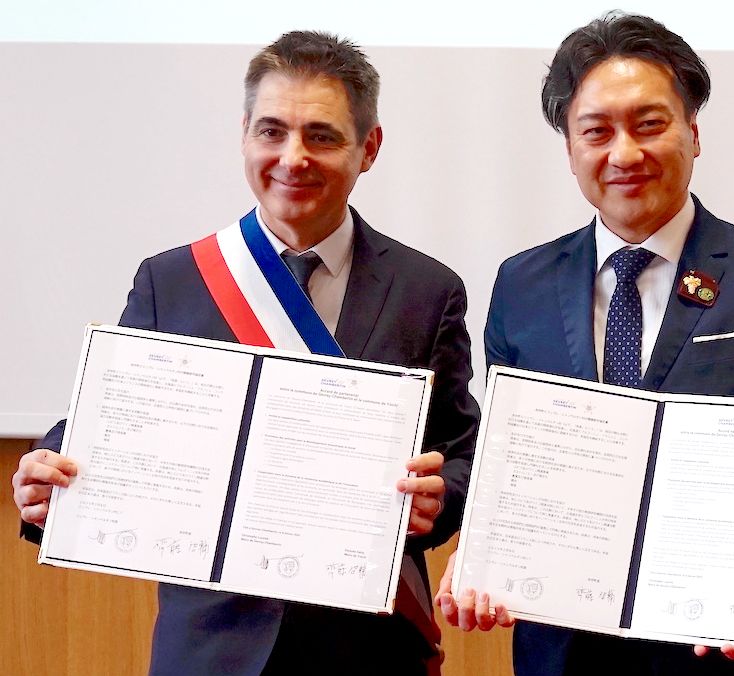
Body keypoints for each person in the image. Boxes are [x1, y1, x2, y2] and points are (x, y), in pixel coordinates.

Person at [12, 31, 479, 676]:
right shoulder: (172, 280)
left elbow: (463, 450)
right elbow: (106, 424)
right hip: (210, 648)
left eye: (322, 135)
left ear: (369, 148)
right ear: (244, 136)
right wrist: (45, 475)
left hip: (370, 649)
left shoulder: (427, 291)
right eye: (272, 131)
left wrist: (438, 498)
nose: (293, 158)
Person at [436, 11, 734, 675]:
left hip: (721, 646)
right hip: (563, 649)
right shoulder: (521, 283)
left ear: (692, 132)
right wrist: (485, 545)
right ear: (569, 150)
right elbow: (511, 459)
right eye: (595, 131)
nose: (623, 154)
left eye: (649, 124)